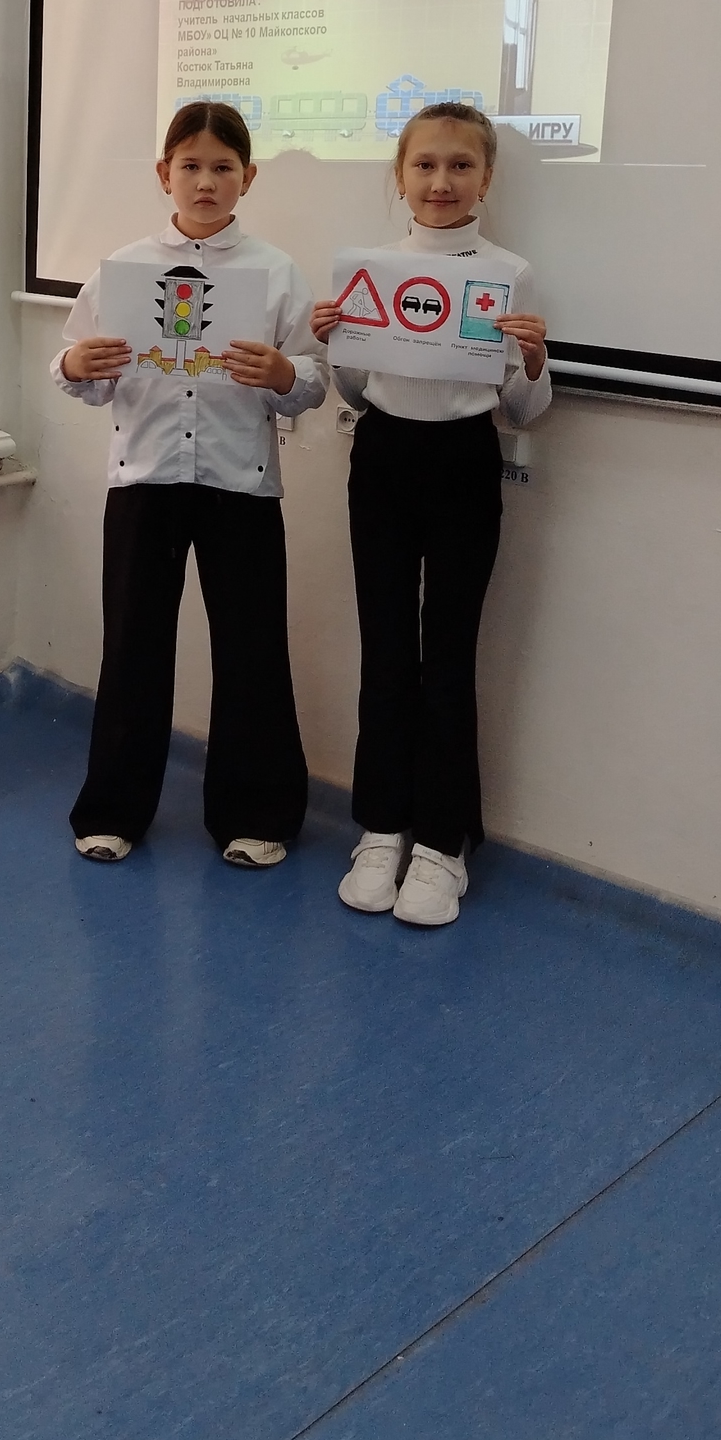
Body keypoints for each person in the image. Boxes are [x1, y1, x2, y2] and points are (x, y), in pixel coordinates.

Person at [54, 101, 325, 866]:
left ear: (248, 177)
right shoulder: (125, 268)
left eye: (223, 167)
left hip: (241, 481)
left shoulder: (276, 272)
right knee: (132, 646)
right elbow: (78, 369)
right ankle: (113, 810)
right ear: (164, 172)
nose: (206, 182)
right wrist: (76, 364)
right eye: (191, 166)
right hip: (144, 477)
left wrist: (285, 373)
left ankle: (256, 815)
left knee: (252, 649)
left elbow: (311, 382)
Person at [310, 102, 549, 927]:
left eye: (460, 165)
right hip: (381, 458)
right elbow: (353, 391)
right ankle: (381, 829)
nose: (441, 181)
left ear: (486, 178)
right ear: (400, 175)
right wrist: (335, 343)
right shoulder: (370, 270)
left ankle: (443, 845)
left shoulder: (509, 273)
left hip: (463, 462)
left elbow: (522, 410)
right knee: (384, 649)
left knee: (448, 656)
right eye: (425, 164)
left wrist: (534, 360)